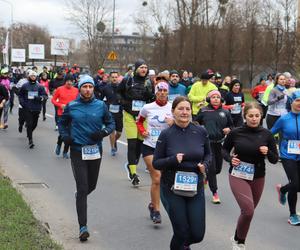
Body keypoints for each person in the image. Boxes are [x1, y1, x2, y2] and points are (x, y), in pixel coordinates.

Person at [58, 74, 115, 242]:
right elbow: (62, 123)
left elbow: (111, 123)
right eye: (85, 86)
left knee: (92, 186)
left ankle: (80, 195)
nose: (88, 89)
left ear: (93, 88)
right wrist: (65, 136)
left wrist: (103, 132)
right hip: (77, 150)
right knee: (83, 188)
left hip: (95, 151)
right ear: (80, 88)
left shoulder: (101, 106)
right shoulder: (72, 106)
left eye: (90, 87)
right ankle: (83, 227)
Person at [153, 96, 211, 250]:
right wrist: (172, 159)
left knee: (197, 234)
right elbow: (156, 163)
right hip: (172, 187)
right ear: (173, 112)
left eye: (187, 109)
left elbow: (208, 155)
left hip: (195, 187)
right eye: (180, 109)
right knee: (181, 231)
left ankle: (183, 246)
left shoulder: (200, 131)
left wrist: (205, 165)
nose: (184, 112)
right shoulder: (166, 134)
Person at [222, 102, 278, 250]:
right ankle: (240, 243)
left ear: (261, 116)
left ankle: (236, 236)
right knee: (248, 210)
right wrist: (230, 159)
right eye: (250, 116)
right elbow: (224, 150)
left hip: (258, 176)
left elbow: (274, 159)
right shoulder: (236, 132)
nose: (254, 119)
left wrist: (268, 152)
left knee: (248, 213)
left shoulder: (267, 134)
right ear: (245, 116)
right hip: (238, 174)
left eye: (257, 116)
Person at [136, 81, 173, 224]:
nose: (162, 93)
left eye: (165, 90)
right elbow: (139, 121)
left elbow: (184, 121)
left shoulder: (173, 107)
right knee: (156, 177)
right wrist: (142, 131)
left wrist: (173, 122)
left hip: (167, 148)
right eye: (160, 90)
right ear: (156, 92)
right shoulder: (147, 107)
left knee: (164, 180)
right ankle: (157, 211)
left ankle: (152, 204)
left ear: (168, 92)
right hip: (150, 146)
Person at [118, 59, 154, 186]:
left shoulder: (149, 82)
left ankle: (131, 164)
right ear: (136, 68)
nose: (144, 69)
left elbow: (152, 98)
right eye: (141, 67)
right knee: (132, 144)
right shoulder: (128, 79)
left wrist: (149, 95)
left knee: (140, 145)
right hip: (129, 116)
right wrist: (123, 103)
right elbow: (119, 93)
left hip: (143, 117)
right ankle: (133, 173)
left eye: (145, 67)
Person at [196, 90, 233, 204]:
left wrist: (229, 129)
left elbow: (231, 125)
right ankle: (215, 193)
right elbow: (195, 123)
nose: (216, 99)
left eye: (218, 97)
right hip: (208, 143)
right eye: (213, 97)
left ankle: (206, 177)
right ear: (209, 99)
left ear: (221, 99)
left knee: (217, 170)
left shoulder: (225, 112)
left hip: (220, 143)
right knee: (212, 169)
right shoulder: (203, 111)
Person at [271, 90, 300, 225]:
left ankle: (283, 189)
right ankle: (293, 214)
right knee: (295, 184)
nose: (299, 103)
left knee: (297, 185)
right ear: (291, 102)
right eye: (297, 100)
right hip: (287, 155)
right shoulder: (284, 119)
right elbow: (270, 134)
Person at [52, 74, 79, 158]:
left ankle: (65, 151)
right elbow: (53, 100)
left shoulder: (76, 90)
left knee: (70, 134)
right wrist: (60, 105)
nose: (69, 82)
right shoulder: (59, 89)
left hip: (72, 115)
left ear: (74, 81)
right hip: (61, 114)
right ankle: (59, 144)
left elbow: (79, 101)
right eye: (68, 81)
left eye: (71, 81)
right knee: (63, 133)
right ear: (65, 81)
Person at [18, 70, 48, 148]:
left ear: (36, 77)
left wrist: (40, 98)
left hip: (36, 108)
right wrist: (22, 103)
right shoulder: (25, 86)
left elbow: (45, 96)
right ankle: (30, 141)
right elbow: (20, 95)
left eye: (34, 76)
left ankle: (29, 132)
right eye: (31, 76)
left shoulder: (40, 86)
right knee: (29, 124)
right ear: (29, 77)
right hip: (27, 108)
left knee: (34, 124)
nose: (33, 77)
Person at [100, 71, 123, 156]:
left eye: (116, 77)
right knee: (112, 131)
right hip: (110, 113)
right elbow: (101, 99)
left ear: (118, 78)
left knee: (119, 133)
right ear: (110, 78)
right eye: (112, 77)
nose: (114, 78)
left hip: (119, 112)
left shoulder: (121, 88)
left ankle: (115, 140)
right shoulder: (106, 88)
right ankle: (113, 148)